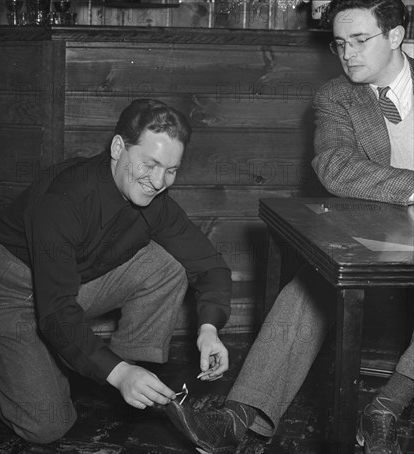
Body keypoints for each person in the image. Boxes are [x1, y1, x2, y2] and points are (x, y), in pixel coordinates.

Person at [165, 0, 414, 453]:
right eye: (340, 44)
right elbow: (335, 166)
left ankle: (387, 405)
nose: (348, 54)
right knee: (310, 287)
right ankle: (244, 415)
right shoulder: (336, 96)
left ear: (396, 36)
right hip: (377, 232)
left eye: (361, 41)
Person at [0, 99, 233, 444]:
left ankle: (133, 378)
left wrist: (208, 328)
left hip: (69, 283)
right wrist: (116, 372)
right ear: (117, 148)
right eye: (150, 164)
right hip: (7, 290)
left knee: (168, 265)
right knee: (47, 425)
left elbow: (209, 264)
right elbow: (55, 313)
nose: (159, 182)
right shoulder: (64, 199)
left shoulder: (155, 201)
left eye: (171, 170)